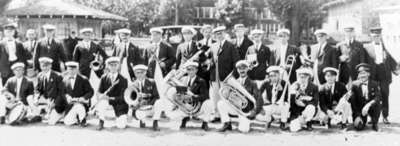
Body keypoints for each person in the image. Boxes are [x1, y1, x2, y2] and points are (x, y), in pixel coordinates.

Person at [363, 27, 399, 124]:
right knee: (371, 95)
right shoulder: (366, 48)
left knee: (385, 94)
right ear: (371, 36)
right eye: (374, 36)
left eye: (378, 36)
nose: (376, 38)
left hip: (384, 74)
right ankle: (372, 117)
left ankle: (385, 117)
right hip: (372, 75)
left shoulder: (385, 47)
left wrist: (397, 69)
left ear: (380, 36)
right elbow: (364, 61)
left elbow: (391, 60)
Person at [217, 60, 263, 132]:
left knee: (244, 130)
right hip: (235, 108)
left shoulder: (253, 83)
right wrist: (227, 94)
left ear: (247, 69)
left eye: (244, 68)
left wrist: (255, 111)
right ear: (237, 70)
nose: (242, 70)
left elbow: (259, 99)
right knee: (221, 103)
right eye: (239, 68)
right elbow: (227, 95)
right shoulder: (233, 82)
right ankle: (227, 123)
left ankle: (246, 122)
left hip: (246, 111)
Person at [207, 26, 240, 121]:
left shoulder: (230, 46)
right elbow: (212, 60)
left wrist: (232, 77)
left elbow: (236, 62)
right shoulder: (213, 46)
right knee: (215, 96)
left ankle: (226, 115)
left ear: (224, 34)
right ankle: (217, 115)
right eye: (217, 34)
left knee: (226, 96)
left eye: (220, 33)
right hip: (215, 76)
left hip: (226, 77)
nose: (219, 35)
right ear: (214, 36)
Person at [94, 57, 128, 130]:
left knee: (121, 126)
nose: (113, 67)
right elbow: (98, 92)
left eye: (115, 65)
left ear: (118, 66)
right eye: (111, 65)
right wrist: (101, 96)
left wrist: (109, 98)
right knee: (102, 102)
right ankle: (101, 121)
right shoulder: (103, 77)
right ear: (108, 66)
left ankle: (119, 117)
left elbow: (123, 98)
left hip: (119, 104)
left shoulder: (123, 79)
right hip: (106, 101)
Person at [124, 64, 159, 130]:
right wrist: (132, 109)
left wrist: (149, 102)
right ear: (135, 73)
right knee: (139, 114)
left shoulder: (152, 82)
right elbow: (130, 100)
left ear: (145, 72)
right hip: (140, 107)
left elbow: (156, 96)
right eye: (137, 73)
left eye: (142, 72)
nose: (140, 75)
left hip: (150, 106)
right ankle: (142, 120)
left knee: (159, 102)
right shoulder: (133, 84)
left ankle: (155, 122)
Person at [34, 57, 67, 125]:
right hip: (47, 101)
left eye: (47, 66)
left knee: (51, 122)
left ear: (50, 66)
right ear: (40, 66)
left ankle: (62, 114)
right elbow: (38, 90)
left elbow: (62, 93)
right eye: (43, 66)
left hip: (58, 103)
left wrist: (55, 103)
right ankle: (47, 112)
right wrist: (36, 98)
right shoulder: (40, 75)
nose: (45, 68)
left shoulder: (58, 76)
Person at [349, 63, 381, 131]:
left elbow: (378, 97)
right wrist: (357, 115)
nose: (362, 75)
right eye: (360, 74)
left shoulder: (374, 84)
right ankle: (359, 119)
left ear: (368, 74)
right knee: (359, 127)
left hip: (370, 108)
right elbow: (352, 101)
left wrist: (368, 105)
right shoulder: (354, 84)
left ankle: (375, 122)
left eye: (364, 73)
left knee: (377, 103)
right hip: (360, 109)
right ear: (358, 75)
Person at [63, 61, 94, 127]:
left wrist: (83, 98)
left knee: (79, 106)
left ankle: (82, 119)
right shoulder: (65, 80)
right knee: (68, 122)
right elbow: (63, 92)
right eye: (69, 69)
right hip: (70, 105)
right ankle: (76, 118)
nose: (71, 71)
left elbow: (91, 92)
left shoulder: (84, 79)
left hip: (81, 103)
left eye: (73, 69)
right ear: (67, 69)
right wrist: (67, 97)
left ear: (77, 69)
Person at [259, 66, 290, 130]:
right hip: (271, 104)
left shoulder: (284, 83)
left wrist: (281, 90)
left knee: (286, 105)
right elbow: (259, 93)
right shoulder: (266, 82)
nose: (273, 78)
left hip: (281, 105)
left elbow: (286, 98)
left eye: (275, 75)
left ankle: (283, 123)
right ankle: (270, 119)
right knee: (258, 113)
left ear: (279, 75)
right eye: (271, 76)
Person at [289, 67, 319, 132]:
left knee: (311, 107)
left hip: (308, 110)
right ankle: (301, 122)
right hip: (297, 111)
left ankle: (308, 122)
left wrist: (305, 104)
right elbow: (292, 103)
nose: (302, 79)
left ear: (308, 77)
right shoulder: (294, 85)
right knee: (294, 128)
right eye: (301, 77)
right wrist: (298, 115)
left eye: (304, 77)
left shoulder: (314, 87)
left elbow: (315, 102)